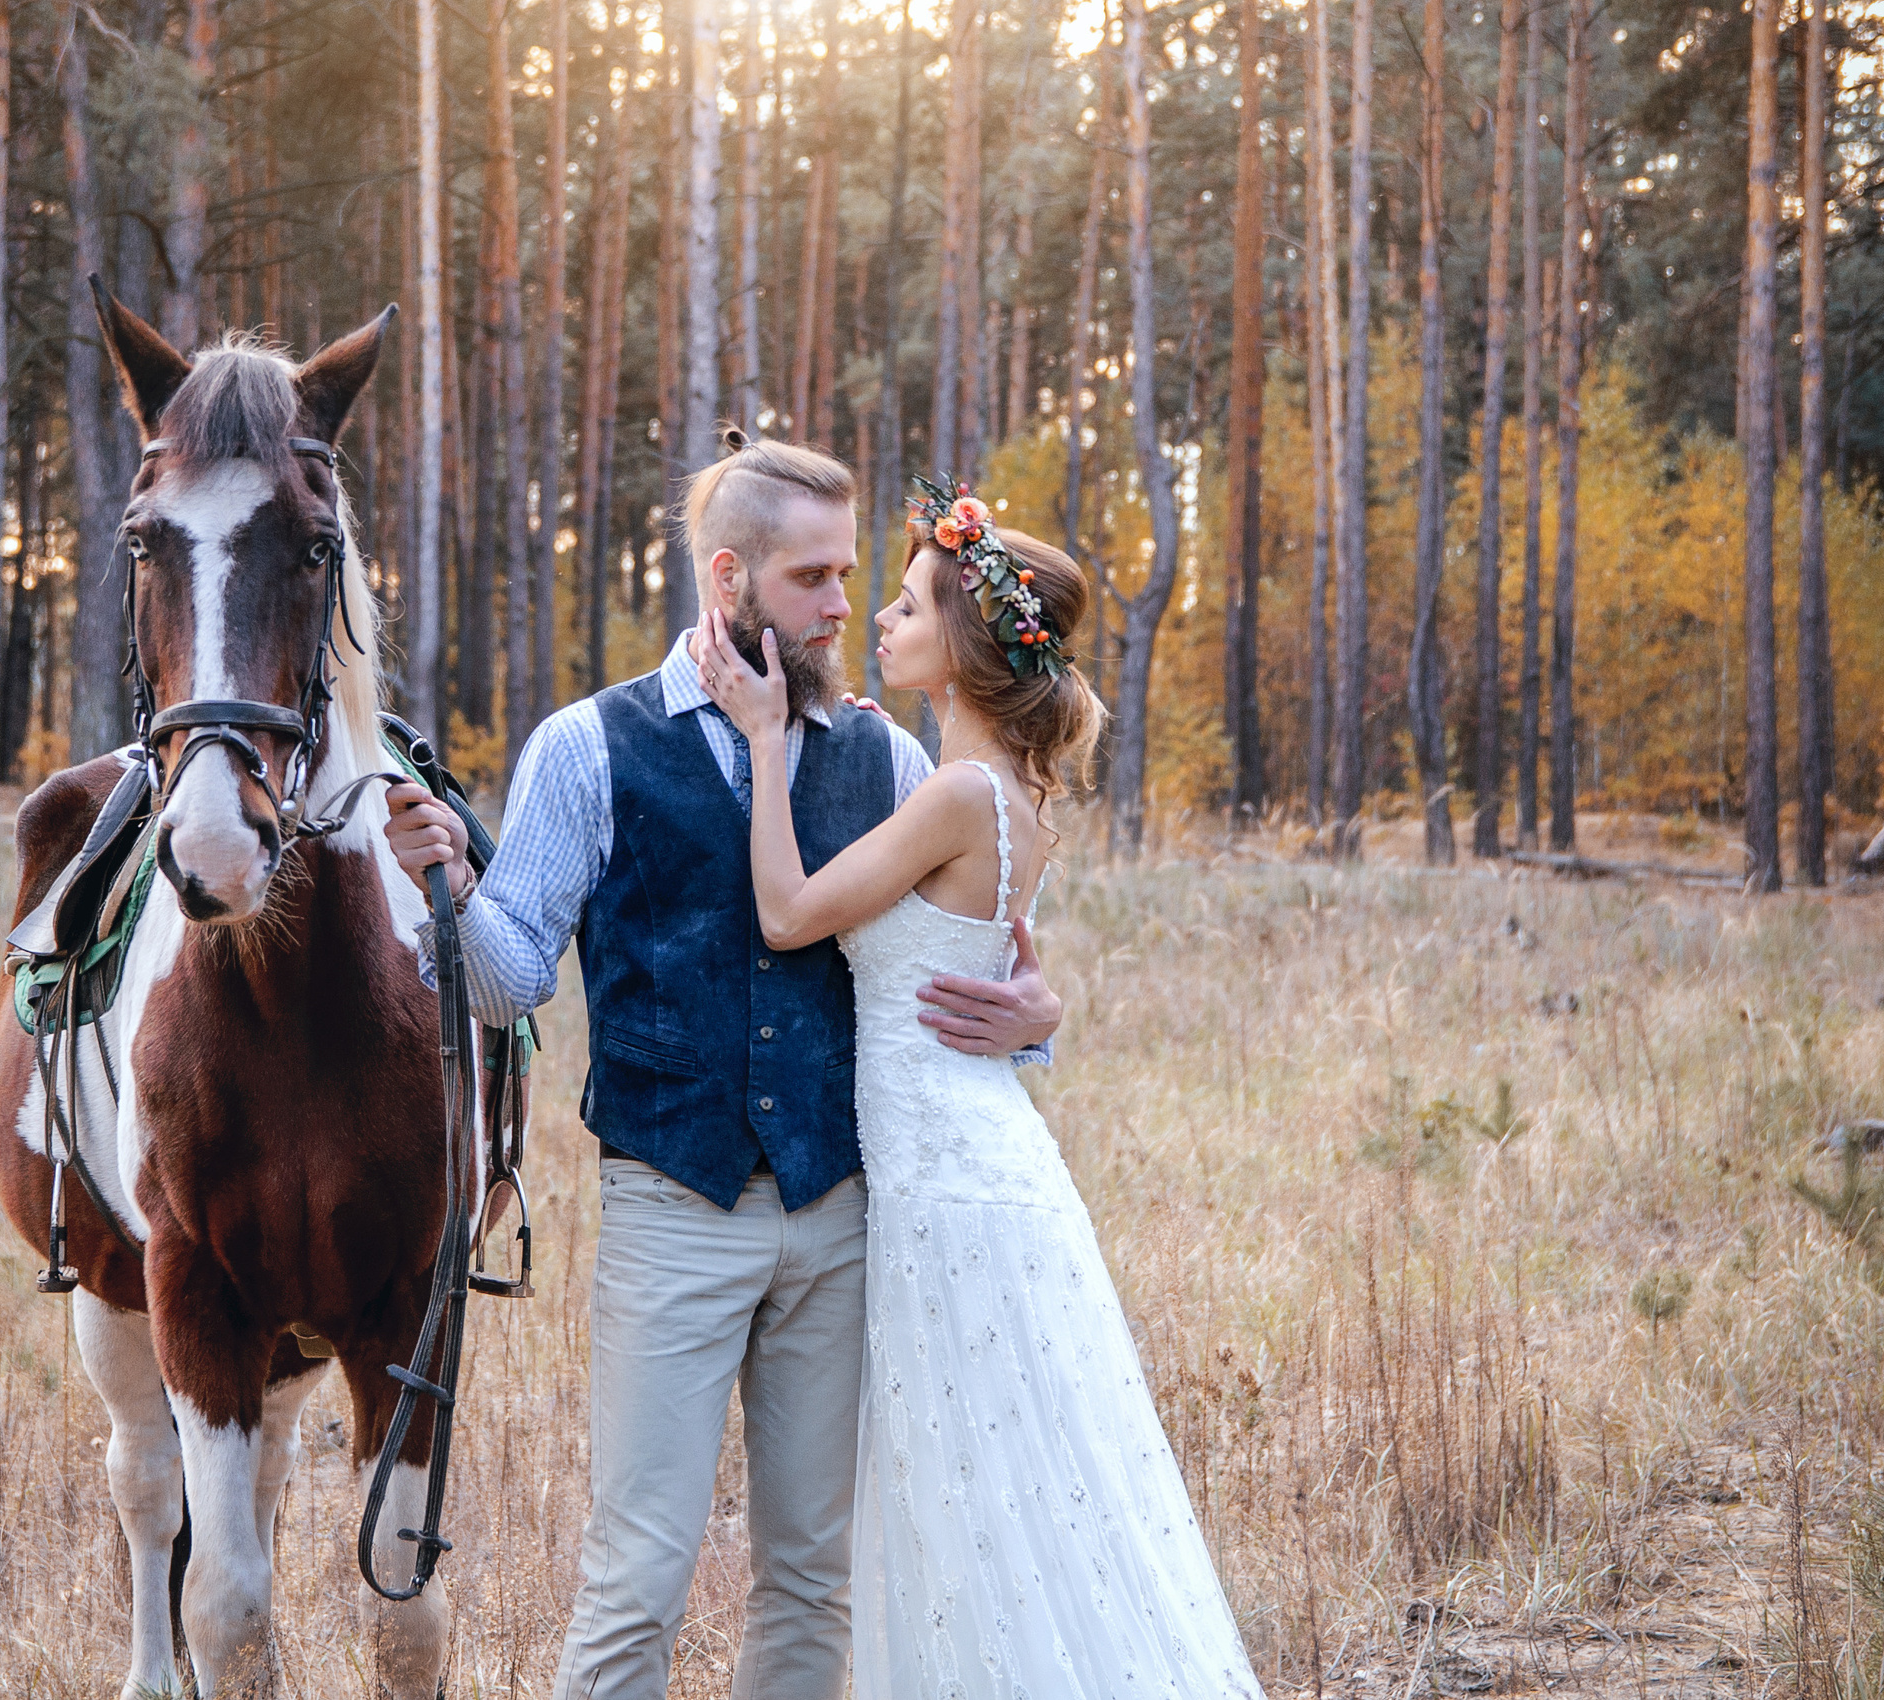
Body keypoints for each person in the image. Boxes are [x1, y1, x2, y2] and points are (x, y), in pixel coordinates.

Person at [381, 436, 1062, 1700]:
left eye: (849, 573)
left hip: (841, 1209)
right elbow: (512, 978)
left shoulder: (886, 758)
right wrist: (447, 890)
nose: (842, 605)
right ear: (728, 575)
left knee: (810, 1575)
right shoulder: (587, 746)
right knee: (637, 1570)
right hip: (672, 1207)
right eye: (812, 577)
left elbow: (971, 945)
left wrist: (1036, 1010)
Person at [692, 478, 1266, 1699]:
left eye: (905, 606)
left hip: (947, 1189)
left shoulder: (957, 795)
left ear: (960, 643)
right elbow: (990, 957)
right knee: (1008, 1487)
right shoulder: (1002, 796)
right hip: (979, 1161)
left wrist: (764, 735)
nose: (879, 619)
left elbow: (788, 913)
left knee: (975, 1491)